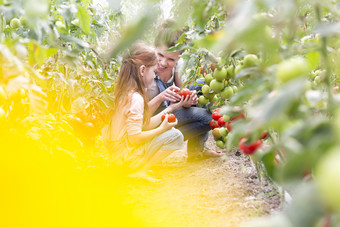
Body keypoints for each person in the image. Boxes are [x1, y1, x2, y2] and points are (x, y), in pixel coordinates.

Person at [102, 43, 188, 183]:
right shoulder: (136, 98)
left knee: (170, 132)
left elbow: (144, 125)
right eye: (154, 71)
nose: (155, 76)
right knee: (175, 135)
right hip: (125, 158)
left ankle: (134, 168)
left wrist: (171, 108)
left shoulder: (125, 93)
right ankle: (138, 170)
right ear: (142, 70)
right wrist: (162, 129)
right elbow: (135, 138)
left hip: (117, 156)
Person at [147, 19, 224, 161]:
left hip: (171, 109)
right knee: (210, 119)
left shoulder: (178, 65)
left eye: (171, 59)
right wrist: (162, 98)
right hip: (153, 121)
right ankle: (158, 145)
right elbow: (141, 116)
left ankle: (197, 149)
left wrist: (188, 102)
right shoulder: (146, 70)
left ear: (179, 58)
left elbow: (184, 91)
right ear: (154, 48)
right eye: (160, 55)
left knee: (203, 85)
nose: (163, 63)